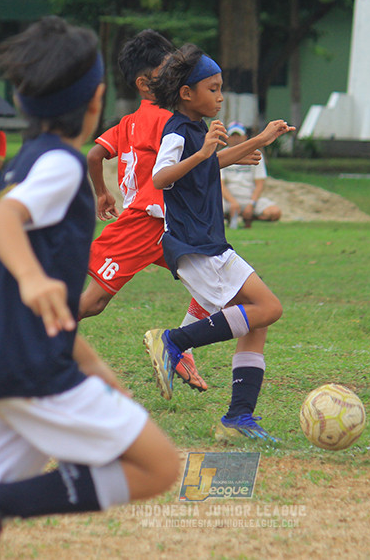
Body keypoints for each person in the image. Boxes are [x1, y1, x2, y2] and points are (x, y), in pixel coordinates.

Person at [0, 17, 180, 560]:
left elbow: (46, 307)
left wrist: (101, 374)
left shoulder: (23, 162)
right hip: (26, 372)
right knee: (160, 466)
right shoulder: (59, 166)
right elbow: (1, 221)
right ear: (97, 99)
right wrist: (32, 279)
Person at [141, 44, 294, 441]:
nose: (220, 96)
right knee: (268, 308)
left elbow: (208, 164)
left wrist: (258, 140)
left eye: (221, 88)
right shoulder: (177, 130)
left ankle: (238, 418)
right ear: (187, 94)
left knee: (256, 321)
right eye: (213, 88)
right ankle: (175, 341)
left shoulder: (195, 132)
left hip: (211, 243)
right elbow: (161, 178)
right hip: (195, 246)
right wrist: (207, 152)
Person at [81, 29, 209, 391]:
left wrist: (103, 193)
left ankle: (179, 348)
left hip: (167, 224)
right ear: (144, 82)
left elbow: (94, 155)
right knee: (93, 302)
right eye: (167, 70)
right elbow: (187, 167)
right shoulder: (163, 120)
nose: (175, 76)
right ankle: (31, 341)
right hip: (143, 223)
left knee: (214, 281)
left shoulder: (129, 122)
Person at [220, 122, 282, 228]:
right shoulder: (221, 155)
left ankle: (248, 218)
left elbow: (260, 183)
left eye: (238, 136)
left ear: (245, 137)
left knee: (274, 212)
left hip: (249, 197)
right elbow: (220, 183)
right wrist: (232, 202)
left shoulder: (255, 154)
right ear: (227, 138)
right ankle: (229, 217)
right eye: (232, 136)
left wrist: (251, 203)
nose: (235, 139)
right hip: (228, 200)